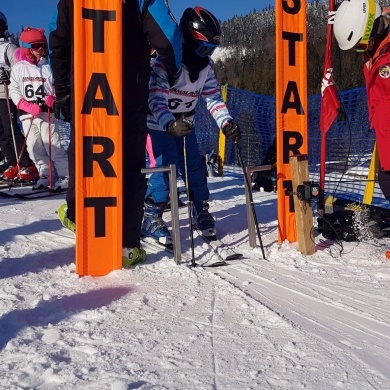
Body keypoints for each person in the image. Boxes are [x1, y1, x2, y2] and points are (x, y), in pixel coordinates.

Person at [49, 0, 182, 267]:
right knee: (130, 165)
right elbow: (168, 37)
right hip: (128, 95)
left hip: (88, 91)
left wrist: (64, 90)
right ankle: (127, 245)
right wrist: (173, 70)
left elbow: (58, 40)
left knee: (89, 153)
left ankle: (83, 223)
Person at [142, 6, 241, 247]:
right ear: (187, 39)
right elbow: (155, 99)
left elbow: (213, 99)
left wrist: (226, 123)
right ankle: (151, 216)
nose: (206, 53)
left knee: (194, 168)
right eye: (202, 47)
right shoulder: (165, 63)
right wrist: (169, 124)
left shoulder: (206, 67)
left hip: (186, 125)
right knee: (164, 171)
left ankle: (200, 209)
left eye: (211, 49)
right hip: (158, 126)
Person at [334, 1, 390, 200]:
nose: (361, 50)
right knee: (385, 183)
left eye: (361, 44)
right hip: (385, 140)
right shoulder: (374, 54)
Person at [8, 27, 69, 191]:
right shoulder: (18, 68)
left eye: (43, 45)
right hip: (28, 115)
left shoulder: (48, 68)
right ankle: (45, 174)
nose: (40, 49)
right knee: (34, 146)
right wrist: (24, 104)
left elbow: (57, 87)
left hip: (46, 114)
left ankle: (65, 175)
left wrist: (53, 99)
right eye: (35, 46)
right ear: (26, 47)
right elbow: (13, 89)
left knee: (53, 144)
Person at [0, 11, 38, 182]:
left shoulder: (8, 47)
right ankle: (12, 162)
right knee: (1, 133)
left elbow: (20, 68)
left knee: (10, 130)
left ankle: (27, 164)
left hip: (6, 95)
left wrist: (7, 75)